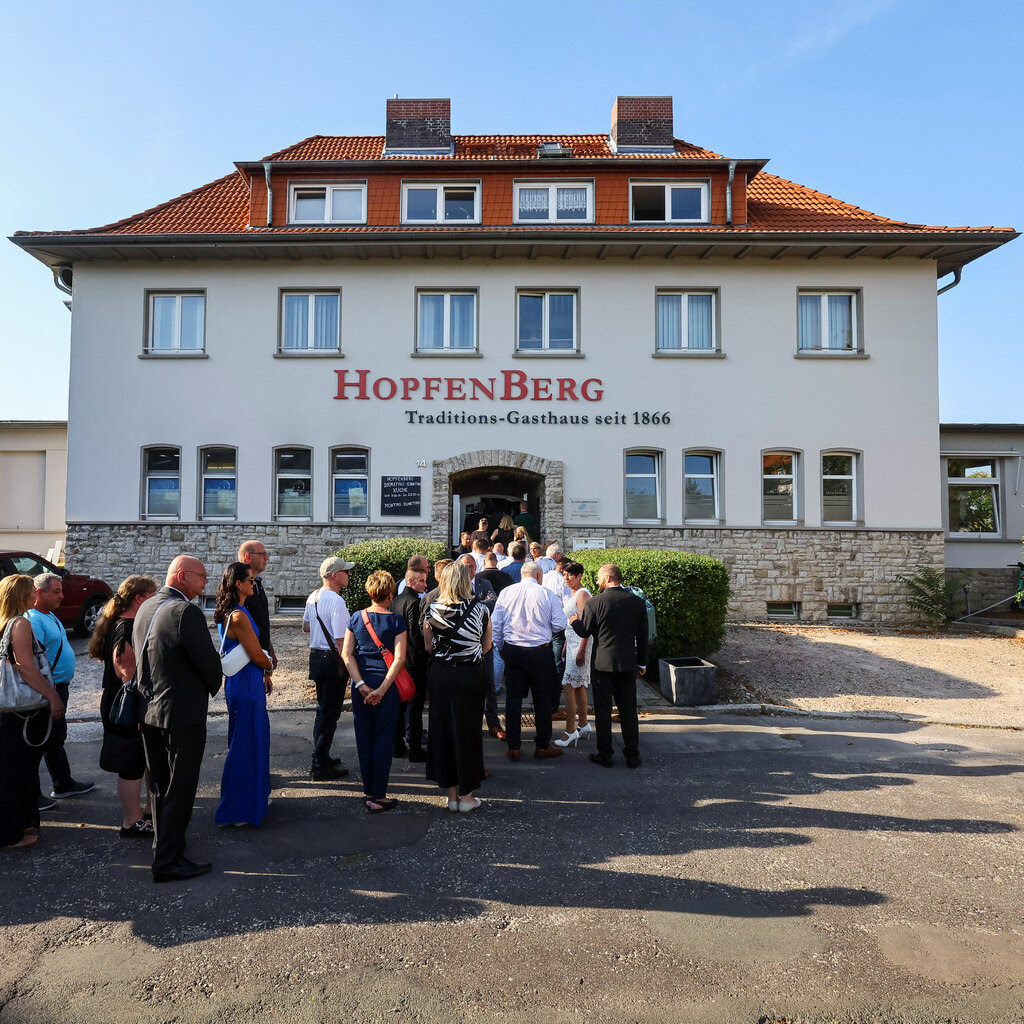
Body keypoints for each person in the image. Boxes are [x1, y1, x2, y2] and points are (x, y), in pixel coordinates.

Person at [135, 555, 222, 882]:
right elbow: (208, 663)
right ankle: (169, 861)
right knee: (180, 788)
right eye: (201, 576)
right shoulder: (186, 611)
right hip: (181, 715)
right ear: (183, 576)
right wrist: (215, 682)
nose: (206, 582)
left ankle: (164, 848)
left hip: (149, 711)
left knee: (158, 785)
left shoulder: (146, 606)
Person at [88, 574, 159, 838]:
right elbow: (127, 672)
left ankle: (151, 812)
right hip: (127, 704)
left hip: (129, 702)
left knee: (146, 758)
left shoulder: (125, 622)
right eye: (152, 596)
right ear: (139, 598)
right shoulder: (126, 627)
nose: (156, 602)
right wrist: (141, 711)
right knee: (132, 763)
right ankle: (132, 821)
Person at [0, 575, 64, 851]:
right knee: (20, 771)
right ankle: (13, 832)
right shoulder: (21, 623)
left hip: (8, 710)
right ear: (25, 595)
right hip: (23, 710)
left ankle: (21, 825)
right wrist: (53, 697)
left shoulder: (3, 621)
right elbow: (27, 667)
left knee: (12, 769)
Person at [423, 562, 492, 813]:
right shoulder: (481, 610)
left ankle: (451, 795)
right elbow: (487, 645)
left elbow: (428, 647)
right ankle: (467, 795)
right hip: (470, 674)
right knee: (468, 731)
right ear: (466, 581)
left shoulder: (432, 610)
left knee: (442, 731)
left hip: (441, 675)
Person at [568, 564, 649, 769]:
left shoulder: (595, 602)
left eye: (598, 578)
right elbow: (643, 636)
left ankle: (605, 755)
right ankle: (633, 755)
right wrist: (642, 662)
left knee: (603, 711)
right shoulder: (637, 602)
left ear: (608, 577)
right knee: (629, 710)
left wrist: (574, 620)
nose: (597, 582)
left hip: (602, 664)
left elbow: (585, 631)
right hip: (628, 662)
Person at [342, 570, 408, 814]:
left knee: (364, 738)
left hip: (361, 685)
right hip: (386, 687)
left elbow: (346, 654)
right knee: (383, 739)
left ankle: (368, 791)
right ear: (391, 594)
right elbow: (399, 659)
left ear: (370, 592)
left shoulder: (356, 618)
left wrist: (360, 685)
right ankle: (378, 795)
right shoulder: (397, 621)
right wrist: (381, 689)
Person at [214, 562, 274, 827]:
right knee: (246, 744)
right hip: (246, 684)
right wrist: (270, 665)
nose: (255, 584)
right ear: (238, 583)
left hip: (241, 681)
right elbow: (257, 654)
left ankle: (249, 800)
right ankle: (239, 808)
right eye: (251, 580)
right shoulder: (238, 616)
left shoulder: (232, 612)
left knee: (247, 740)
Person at [28, 572, 93, 803]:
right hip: (47, 690)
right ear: (38, 593)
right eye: (56, 592)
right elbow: (31, 661)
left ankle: (63, 783)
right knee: (39, 741)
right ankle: (31, 796)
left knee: (55, 738)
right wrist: (50, 693)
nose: (62, 596)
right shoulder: (33, 620)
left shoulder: (49, 615)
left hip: (58, 688)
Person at [491, 562, 567, 761]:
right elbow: (560, 623)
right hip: (539, 652)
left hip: (513, 650)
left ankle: (514, 746)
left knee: (513, 699)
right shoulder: (546, 594)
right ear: (539, 575)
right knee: (542, 700)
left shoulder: (507, 593)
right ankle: (542, 745)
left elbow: (496, 624)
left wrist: (500, 647)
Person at [302, 556, 355, 781]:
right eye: (346, 571)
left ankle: (321, 757)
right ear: (335, 576)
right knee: (329, 714)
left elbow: (305, 626)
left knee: (323, 711)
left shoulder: (313, 596)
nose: (349, 575)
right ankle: (319, 763)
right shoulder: (336, 601)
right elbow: (342, 640)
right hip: (332, 660)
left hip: (316, 656)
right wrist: (352, 668)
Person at [457, 555, 502, 739]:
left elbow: (493, 601)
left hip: (484, 640)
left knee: (489, 684)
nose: (470, 570)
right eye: (467, 567)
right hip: (464, 644)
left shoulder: (484, 583)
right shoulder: (456, 585)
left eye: (473, 566)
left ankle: (494, 724)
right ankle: (467, 726)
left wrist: (473, 607)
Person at [391, 567, 429, 762]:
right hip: (413, 662)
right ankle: (414, 748)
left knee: (400, 705)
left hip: (399, 661)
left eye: (425, 580)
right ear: (410, 582)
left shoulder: (395, 601)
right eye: (421, 581)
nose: (424, 584)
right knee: (414, 707)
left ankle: (397, 745)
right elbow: (416, 636)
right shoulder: (414, 602)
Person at [553, 562, 593, 748]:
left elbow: (588, 626)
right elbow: (572, 622)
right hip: (572, 642)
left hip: (581, 643)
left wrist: (582, 650)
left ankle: (570, 731)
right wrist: (567, 643)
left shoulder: (583, 594)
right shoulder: (573, 593)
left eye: (570, 575)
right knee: (577, 686)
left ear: (579, 576)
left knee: (568, 685)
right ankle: (583, 724)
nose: (566, 578)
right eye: (564, 574)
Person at [238, 540, 278, 670]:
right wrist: (266, 665)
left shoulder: (258, 584)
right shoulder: (239, 589)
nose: (267, 558)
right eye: (262, 554)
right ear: (248, 557)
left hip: (261, 656)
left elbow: (260, 621)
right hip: (246, 660)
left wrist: (269, 648)